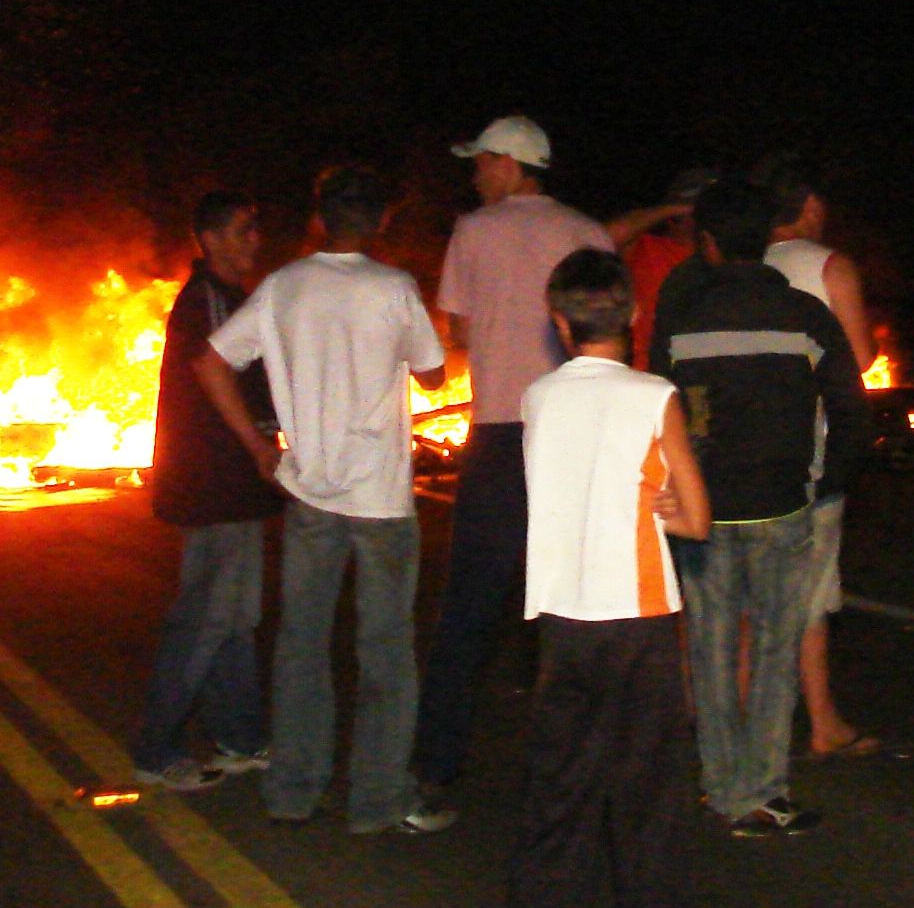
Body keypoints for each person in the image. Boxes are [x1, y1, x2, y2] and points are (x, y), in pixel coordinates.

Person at [483, 249, 742, 908]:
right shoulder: (653, 395)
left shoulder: (535, 397)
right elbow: (696, 519)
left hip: (559, 620)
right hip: (634, 622)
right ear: (630, 317)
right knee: (646, 815)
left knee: (554, 809)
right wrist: (666, 500)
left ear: (559, 323)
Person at [198, 165, 454, 834]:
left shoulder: (283, 285)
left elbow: (212, 363)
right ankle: (375, 798)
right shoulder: (394, 287)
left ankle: (291, 790)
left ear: (320, 219)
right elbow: (433, 374)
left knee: (301, 645)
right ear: (381, 222)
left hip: (308, 492)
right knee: (386, 650)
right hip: (379, 497)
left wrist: (260, 449)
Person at [651, 175, 872, 835]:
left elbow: (668, 412)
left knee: (712, 652)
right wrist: (823, 480)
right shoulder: (805, 317)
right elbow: (851, 410)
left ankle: (722, 789)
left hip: (707, 509)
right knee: (776, 651)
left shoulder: (684, 321)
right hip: (783, 504)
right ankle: (765, 791)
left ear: (709, 244)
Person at [416, 116, 614, 797]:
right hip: (579, 431)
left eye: (480, 163)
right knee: (578, 603)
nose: (474, 176)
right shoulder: (587, 231)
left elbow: (460, 328)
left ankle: (435, 769)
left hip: (503, 430)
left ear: (507, 163)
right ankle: (581, 764)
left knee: (469, 606)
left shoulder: (474, 230)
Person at [132, 190, 284, 790]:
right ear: (212, 238)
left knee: (232, 615)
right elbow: (212, 372)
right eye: (244, 230)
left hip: (229, 487)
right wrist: (258, 449)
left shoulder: (226, 299)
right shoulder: (210, 302)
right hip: (217, 484)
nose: (255, 240)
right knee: (205, 618)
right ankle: (156, 748)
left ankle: (241, 737)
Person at [756, 149, 880, 762]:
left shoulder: (742, 265)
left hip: (748, 454)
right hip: (812, 451)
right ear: (808, 206)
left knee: (751, 591)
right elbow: (854, 365)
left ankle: (747, 727)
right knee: (809, 593)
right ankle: (822, 722)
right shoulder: (830, 267)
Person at [619, 166, 717, 372]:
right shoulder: (645, 246)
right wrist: (673, 209)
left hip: (697, 371)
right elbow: (601, 236)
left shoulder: (722, 254)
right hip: (644, 373)